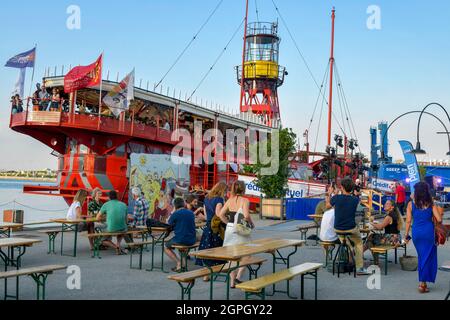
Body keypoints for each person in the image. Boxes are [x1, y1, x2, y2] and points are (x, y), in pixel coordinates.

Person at [405, 182, 442, 293]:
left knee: (422, 256)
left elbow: (408, 221)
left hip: (417, 233)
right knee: (427, 257)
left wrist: (406, 234)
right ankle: (422, 284)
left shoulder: (411, 204)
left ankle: (423, 282)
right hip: (428, 232)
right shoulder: (431, 204)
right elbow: (439, 219)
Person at [218, 180, 254, 288]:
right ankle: (238, 277)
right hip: (240, 229)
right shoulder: (245, 200)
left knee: (231, 256)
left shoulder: (229, 200)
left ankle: (232, 282)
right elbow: (246, 216)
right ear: (243, 189)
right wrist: (251, 224)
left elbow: (220, 214)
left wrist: (228, 223)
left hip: (229, 228)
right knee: (247, 254)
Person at [331, 177, 370, 275]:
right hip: (351, 228)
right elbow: (359, 212)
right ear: (352, 188)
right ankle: (359, 268)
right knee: (359, 243)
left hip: (338, 228)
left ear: (342, 187)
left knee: (342, 236)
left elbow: (328, 205)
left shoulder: (336, 198)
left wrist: (332, 194)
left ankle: (350, 248)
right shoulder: (355, 200)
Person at [195, 182, 228, 279]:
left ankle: (206, 274)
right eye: (225, 191)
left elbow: (206, 216)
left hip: (208, 226)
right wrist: (228, 222)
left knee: (207, 249)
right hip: (216, 227)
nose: (226, 193)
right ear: (222, 190)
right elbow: (218, 214)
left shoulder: (206, 198)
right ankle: (220, 269)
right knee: (217, 248)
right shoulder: (219, 199)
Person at [165, 198, 196, 272]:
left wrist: (173, 212)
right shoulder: (190, 212)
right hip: (192, 239)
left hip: (181, 239)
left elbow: (168, 224)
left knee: (166, 246)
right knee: (181, 246)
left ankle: (178, 262)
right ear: (184, 204)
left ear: (175, 206)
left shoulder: (175, 214)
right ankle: (183, 265)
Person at [96, 190, 129, 255]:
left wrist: (106, 218)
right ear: (117, 197)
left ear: (109, 197)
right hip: (123, 229)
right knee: (120, 230)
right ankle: (118, 245)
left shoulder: (106, 204)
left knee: (102, 240)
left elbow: (97, 218)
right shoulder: (123, 204)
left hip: (111, 229)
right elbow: (126, 220)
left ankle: (116, 247)